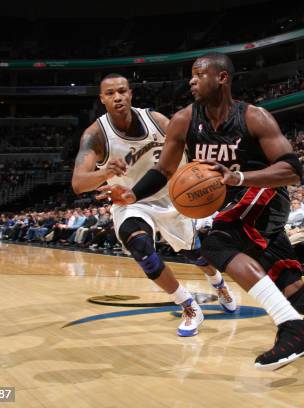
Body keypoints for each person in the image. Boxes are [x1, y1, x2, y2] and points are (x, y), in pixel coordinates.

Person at [99, 53, 304, 370]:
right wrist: (132, 193)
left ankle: (294, 328)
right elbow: (163, 171)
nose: (192, 80)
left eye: (199, 74)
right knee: (297, 296)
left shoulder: (253, 117)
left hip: (265, 196)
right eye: (190, 75)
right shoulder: (183, 120)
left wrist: (240, 177)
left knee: (216, 243)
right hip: (236, 206)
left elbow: (293, 170)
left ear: (222, 78)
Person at [72, 73, 236, 338]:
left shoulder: (157, 120)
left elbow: (191, 146)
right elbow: (79, 183)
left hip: (173, 196)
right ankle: (188, 305)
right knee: (141, 247)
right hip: (130, 201)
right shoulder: (96, 135)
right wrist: (104, 174)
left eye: (122, 91)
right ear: (102, 99)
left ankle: (217, 283)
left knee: (196, 254)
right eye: (111, 93)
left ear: (130, 93)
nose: (118, 97)